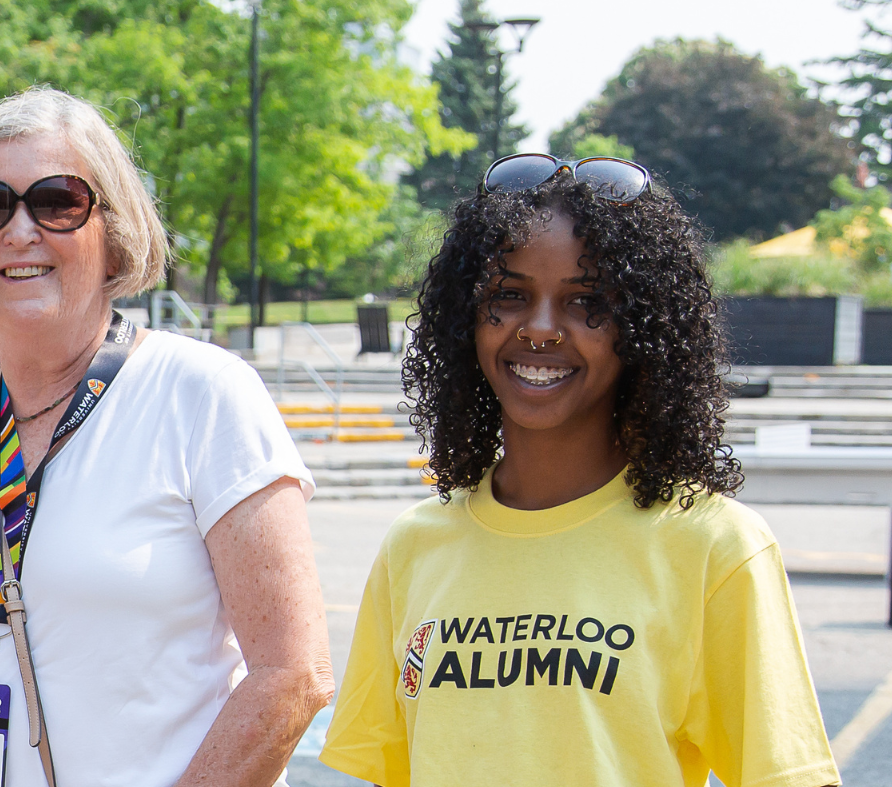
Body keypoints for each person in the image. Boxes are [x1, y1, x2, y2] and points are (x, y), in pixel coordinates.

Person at [318, 154, 839, 786]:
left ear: (643, 330)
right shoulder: (416, 547)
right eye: (509, 296)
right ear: (464, 320)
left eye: (586, 301)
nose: (540, 329)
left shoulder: (714, 546)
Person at [0, 87, 331, 787]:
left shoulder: (202, 394)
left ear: (113, 228)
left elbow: (292, 676)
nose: (20, 230)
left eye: (58, 201)